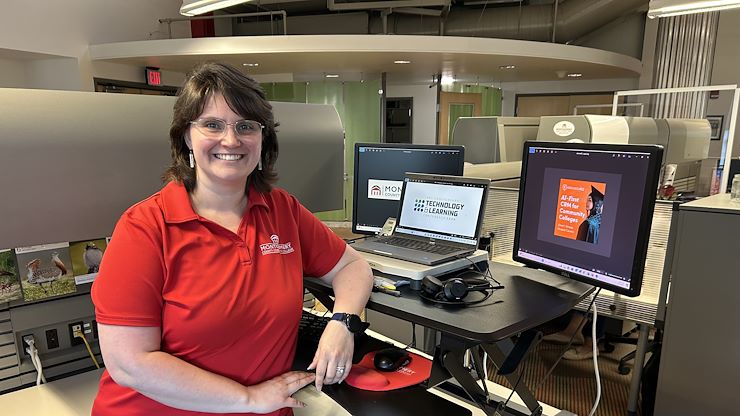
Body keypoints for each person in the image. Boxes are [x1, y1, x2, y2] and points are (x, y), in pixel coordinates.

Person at [90, 62, 374, 415]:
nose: (231, 139)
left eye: (245, 126)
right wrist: (249, 398)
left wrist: (342, 323)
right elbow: (130, 363)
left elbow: (352, 266)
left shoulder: (281, 210)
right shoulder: (145, 228)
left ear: (262, 139)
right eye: (212, 124)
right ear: (185, 137)